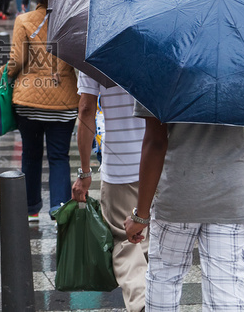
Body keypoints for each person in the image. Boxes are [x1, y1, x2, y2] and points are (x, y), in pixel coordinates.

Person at [124, 103, 244, 311]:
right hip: (230, 193)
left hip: (178, 193)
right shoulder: (242, 72)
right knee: (226, 290)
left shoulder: (156, 73)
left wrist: (141, 216)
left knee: (164, 279)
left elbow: (155, 143)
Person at [2, 0, 79, 220]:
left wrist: (5, 72)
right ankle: (60, 208)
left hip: (28, 102)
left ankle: (30, 207)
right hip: (64, 102)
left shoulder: (24, 20)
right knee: (59, 156)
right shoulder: (72, 21)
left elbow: (16, 60)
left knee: (31, 154)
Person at [72, 73, 147, 312]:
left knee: (127, 243)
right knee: (155, 242)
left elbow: (86, 110)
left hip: (121, 166)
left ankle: (143, 303)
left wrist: (85, 172)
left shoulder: (95, 53)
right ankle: (162, 299)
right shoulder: (159, 43)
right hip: (160, 162)